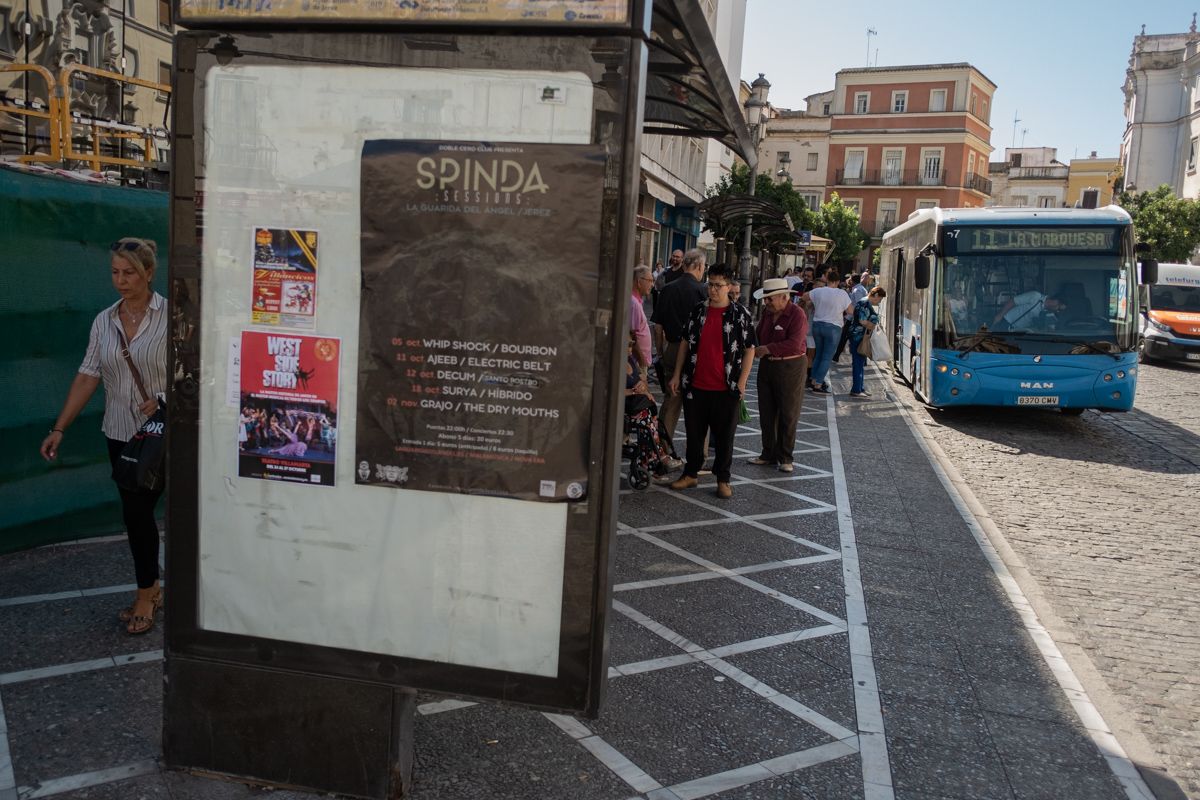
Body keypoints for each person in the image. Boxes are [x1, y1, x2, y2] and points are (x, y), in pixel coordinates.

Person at [40, 237, 168, 636]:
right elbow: (87, 374)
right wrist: (59, 427)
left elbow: (201, 370)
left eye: (129, 272)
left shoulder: (173, 316)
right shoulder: (104, 320)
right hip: (121, 433)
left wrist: (164, 399)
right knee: (136, 515)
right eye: (115, 272)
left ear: (149, 273)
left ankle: (149, 594)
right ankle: (150, 588)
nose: (120, 281)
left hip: (165, 432)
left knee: (148, 513)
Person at [667, 264, 756, 499]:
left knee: (725, 437)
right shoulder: (698, 311)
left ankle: (723, 479)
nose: (713, 289)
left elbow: (749, 350)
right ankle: (690, 474)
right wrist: (677, 374)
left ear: (729, 287)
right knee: (694, 434)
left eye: (718, 285)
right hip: (695, 385)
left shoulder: (740, 315)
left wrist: (743, 381)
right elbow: (685, 343)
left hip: (726, 387)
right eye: (710, 284)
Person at [650, 249, 707, 453]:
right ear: (700, 267)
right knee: (699, 405)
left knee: (671, 401)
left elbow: (658, 327)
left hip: (672, 348)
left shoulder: (668, 289)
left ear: (684, 265)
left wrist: (661, 352)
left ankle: (662, 448)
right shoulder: (703, 292)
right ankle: (699, 452)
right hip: (697, 353)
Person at [750, 278, 808, 472]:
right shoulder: (767, 314)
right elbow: (757, 335)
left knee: (788, 413)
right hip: (768, 366)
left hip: (791, 366)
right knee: (766, 412)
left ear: (784, 298)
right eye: (765, 299)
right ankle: (768, 453)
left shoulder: (797, 314)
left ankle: (785, 457)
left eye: (770, 299)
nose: (766, 303)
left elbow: (794, 343)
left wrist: (767, 348)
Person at [807, 268, 853, 394]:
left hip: (817, 325)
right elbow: (850, 311)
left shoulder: (817, 291)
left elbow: (804, 298)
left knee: (818, 354)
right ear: (837, 281)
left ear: (827, 280)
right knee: (827, 357)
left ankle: (813, 379)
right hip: (833, 327)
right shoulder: (842, 294)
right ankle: (818, 383)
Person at [849, 286, 887, 398]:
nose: (879, 301)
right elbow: (862, 320)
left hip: (859, 335)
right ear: (875, 295)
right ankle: (856, 389)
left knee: (860, 362)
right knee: (858, 362)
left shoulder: (864, 302)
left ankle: (859, 387)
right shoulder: (865, 303)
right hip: (858, 336)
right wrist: (872, 326)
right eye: (879, 299)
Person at [992, 290, 1066, 331]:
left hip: (1018, 332)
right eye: (1058, 307)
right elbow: (1013, 301)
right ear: (1056, 300)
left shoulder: (1049, 315)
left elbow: (1050, 331)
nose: (1057, 310)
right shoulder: (1035, 296)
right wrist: (1000, 315)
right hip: (1006, 322)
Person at [833, 272, 864, 361]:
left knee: (844, 337)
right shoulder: (859, 288)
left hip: (853, 317)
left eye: (850, 279)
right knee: (847, 337)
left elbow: (859, 304)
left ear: (853, 281)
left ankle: (836, 356)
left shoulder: (857, 290)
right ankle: (836, 356)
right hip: (853, 317)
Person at [630, 265, 654, 377]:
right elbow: (632, 336)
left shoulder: (637, 301)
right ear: (639, 282)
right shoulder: (634, 304)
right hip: (637, 361)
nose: (652, 285)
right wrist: (642, 361)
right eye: (650, 281)